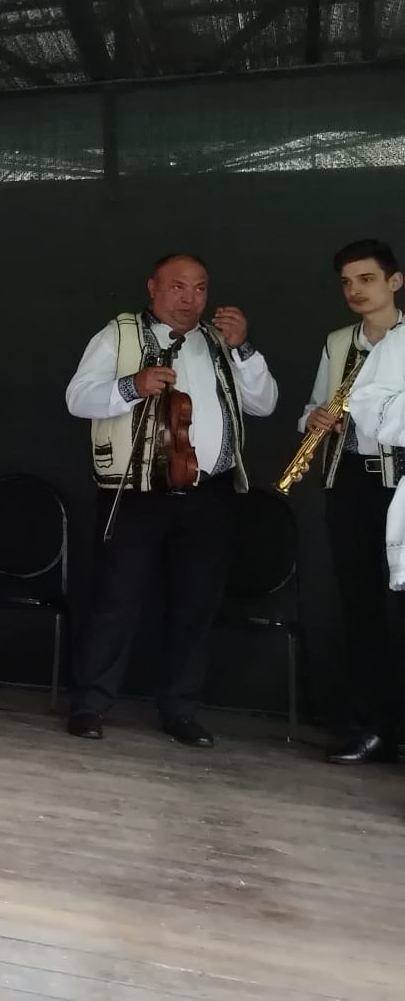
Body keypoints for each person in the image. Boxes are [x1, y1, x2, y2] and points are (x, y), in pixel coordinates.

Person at [64, 254, 279, 747]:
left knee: (196, 603)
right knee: (116, 599)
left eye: (200, 288)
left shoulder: (219, 342)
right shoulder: (118, 335)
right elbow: (77, 398)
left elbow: (264, 403)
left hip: (208, 494)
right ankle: (91, 705)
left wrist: (244, 349)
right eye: (178, 287)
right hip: (137, 491)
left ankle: (181, 710)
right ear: (153, 287)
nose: (190, 298)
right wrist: (132, 386)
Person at [301, 239, 405, 764]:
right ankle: (371, 726)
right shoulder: (339, 341)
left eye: (366, 279)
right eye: (346, 282)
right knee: (359, 605)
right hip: (350, 484)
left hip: (402, 484)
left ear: (394, 281)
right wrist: (316, 418)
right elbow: (311, 408)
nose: (355, 290)